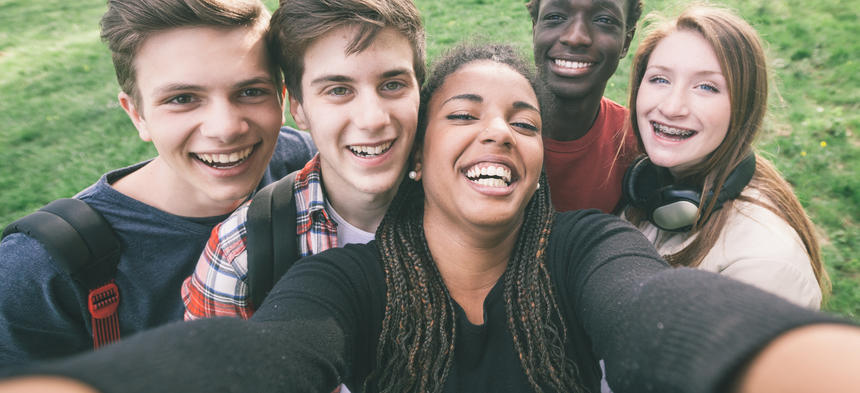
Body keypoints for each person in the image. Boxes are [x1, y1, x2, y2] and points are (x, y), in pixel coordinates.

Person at [2, 43, 859, 393]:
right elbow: (264, 352)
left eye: (523, 121)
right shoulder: (343, 279)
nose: (500, 132)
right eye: (465, 114)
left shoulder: (585, 244)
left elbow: (657, 311)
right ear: (416, 154)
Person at [0, 0, 316, 366]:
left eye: (250, 91)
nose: (226, 128)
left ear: (280, 97)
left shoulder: (307, 164)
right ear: (137, 114)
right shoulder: (39, 270)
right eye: (182, 99)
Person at [181, 0, 424, 320]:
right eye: (338, 90)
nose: (372, 119)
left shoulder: (472, 207)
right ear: (298, 107)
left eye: (393, 85)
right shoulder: (239, 255)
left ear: (420, 90)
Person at [620, 5, 829, 309]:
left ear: (743, 108)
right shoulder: (648, 189)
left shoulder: (765, 266)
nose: (672, 107)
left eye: (706, 87)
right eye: (660, 79)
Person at [526, 0, 642, 213]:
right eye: (555, 17)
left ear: (626, 41)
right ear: (535, 29)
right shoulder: (483, 130)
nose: (575, 37)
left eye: (604, 20)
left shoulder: (637, 144)